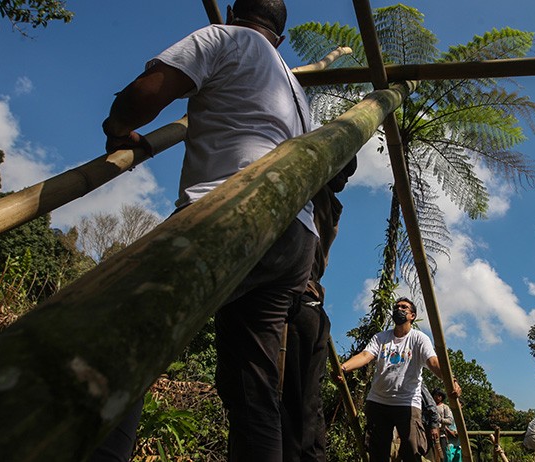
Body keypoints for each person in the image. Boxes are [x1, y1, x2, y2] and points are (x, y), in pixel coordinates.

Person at [96, 1, 316, 461]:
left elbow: (144, 96)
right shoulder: (295, 89)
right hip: (296, 238)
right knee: (252, 386)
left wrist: (118, 127)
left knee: (120, 328)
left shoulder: (224, 38)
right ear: (281, 36)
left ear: (234, 12)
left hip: (236, 209)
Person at [281, 157, 357, 462]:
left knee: (291, 404)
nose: (346, 181)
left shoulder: (312, 198)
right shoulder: (328, 207)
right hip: (312, 308)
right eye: (343, 173)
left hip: (298, 303)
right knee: (308, 408)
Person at [339, 298, 461, 462]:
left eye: (404, 307)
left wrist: (450, 381)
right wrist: (344, 367)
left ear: (412, 315)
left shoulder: (419, 338)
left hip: (407, 403)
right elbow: (365, 356)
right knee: (377, 452)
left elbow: (433, 362)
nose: (399, 309)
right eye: (396, 307)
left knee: (412, 449)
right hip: (378, 402)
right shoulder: (381, 338)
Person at [432, 389, 453, 462]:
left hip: (441, 434)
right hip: (430, 434)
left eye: (439, 396)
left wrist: (440, 419)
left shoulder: (445, 407)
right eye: (435, 395)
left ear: (442, 397)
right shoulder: (430, 406)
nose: (437, 397)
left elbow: (450, 421)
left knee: (444, 454)